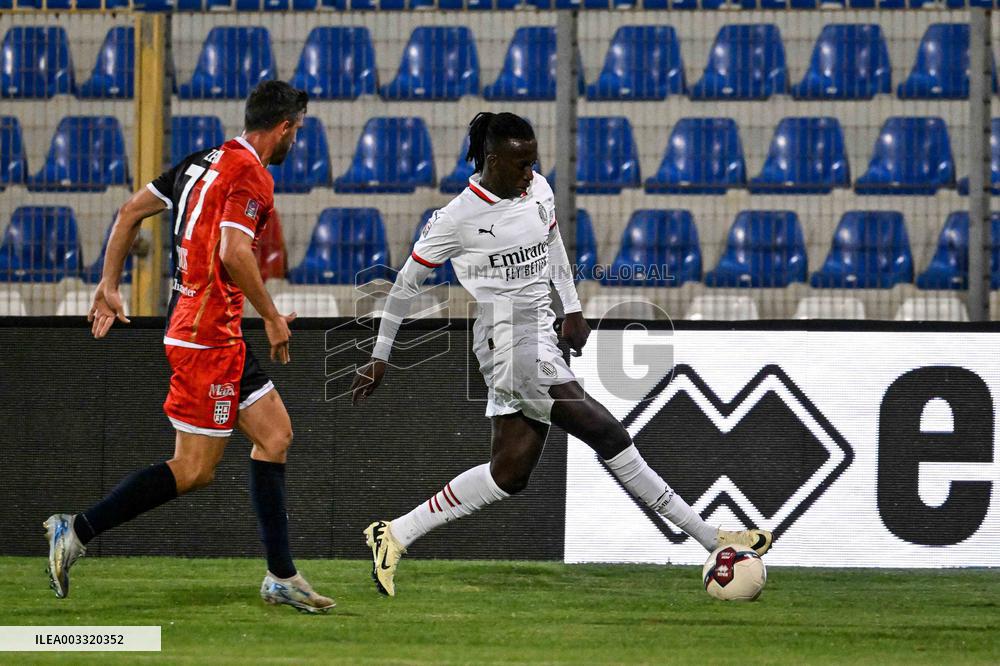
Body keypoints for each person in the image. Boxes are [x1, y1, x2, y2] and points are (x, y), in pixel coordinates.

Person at [351, 112, 772, 597]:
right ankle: (710, 537)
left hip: (542, 335)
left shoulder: (539, 191)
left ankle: (395, 533)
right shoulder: (457, 218)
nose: (530, 172)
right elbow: (404, 285)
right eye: (521, 164)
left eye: (534, 161)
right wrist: (380, 354)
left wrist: (571, 307)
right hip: (507, 344)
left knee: (509, 473)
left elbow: (553, 246)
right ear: (493, 161)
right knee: (607, 431)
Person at [44, 81, 334, 614]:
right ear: (285, 128)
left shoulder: (202, 160)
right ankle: (78, 528)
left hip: (214, 332)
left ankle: (280, 576)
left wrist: (110, 283)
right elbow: (233, 250)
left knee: (275, 435)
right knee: (195, 468)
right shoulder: (253, 175)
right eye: (299, 129)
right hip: (207, 341)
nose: (298, 139)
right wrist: (270, 316)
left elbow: (130, 211)